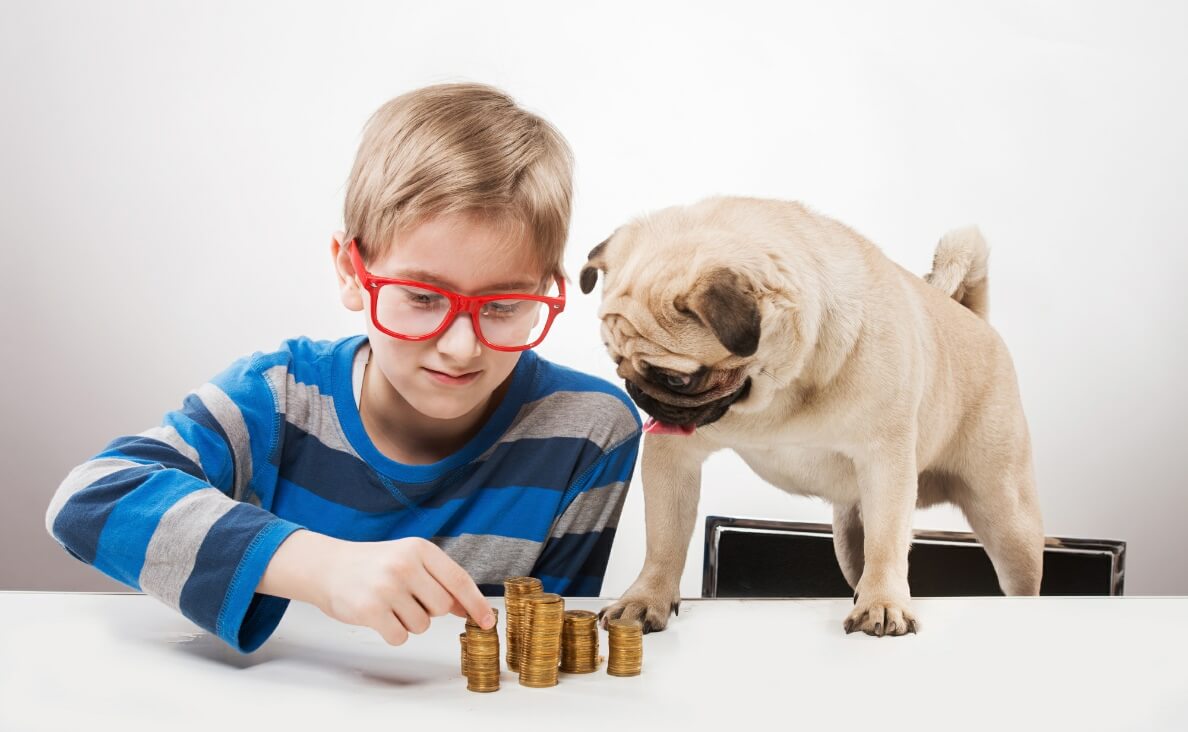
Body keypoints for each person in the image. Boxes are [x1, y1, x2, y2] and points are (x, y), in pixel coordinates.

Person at [45, 83, 641, 653]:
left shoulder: (590, 433)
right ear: (352, 273)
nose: (462, 347)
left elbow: (547, 656)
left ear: (549, 289)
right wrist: (317, 565)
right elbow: (89, 498)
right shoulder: (278, 397)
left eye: (507, 306)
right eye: (423, 297)